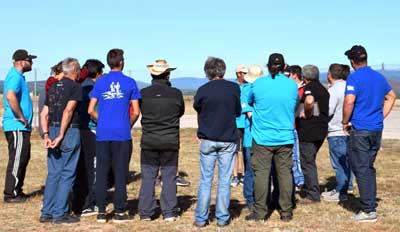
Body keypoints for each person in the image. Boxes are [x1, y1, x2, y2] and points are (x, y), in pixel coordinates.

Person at [343, 45, 396, 222]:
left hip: (360, 129)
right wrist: (380, 116)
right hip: (375, 129)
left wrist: (344, 122)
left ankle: (368, 209)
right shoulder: (378, 77)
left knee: (361, 168)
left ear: (352, 61)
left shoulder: (354, 78)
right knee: (368, 167)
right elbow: (391, 96)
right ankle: (370, 202)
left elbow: (349, 101)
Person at [88, 48, 141, 223]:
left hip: (103, 134)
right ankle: (119, 211)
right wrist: (127, 124)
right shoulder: (130, 82)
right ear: (121, 62)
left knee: (102, 172)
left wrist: (102, 120)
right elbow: (136, 112)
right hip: (122, 134)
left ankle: (101, 211)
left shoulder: (100, 83)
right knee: (120, 173)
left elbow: (90, 110)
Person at [244, 53, 298, 223]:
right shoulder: (291, 85)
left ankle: (260, 212)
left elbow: (249, 101)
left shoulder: (258, 84)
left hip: (262, 137)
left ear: (267, 66)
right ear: (284, 67)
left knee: (261, 175)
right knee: (285, 174)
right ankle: (286, 211)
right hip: (285, 136)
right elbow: (295, 104)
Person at [193, 57, 241, 228]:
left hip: (207, 138)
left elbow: (198, 109)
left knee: (206, 180)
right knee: (224, 180)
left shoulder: (202, 90)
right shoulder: (233, 88)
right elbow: (237, 112)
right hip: (227, 138)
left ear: (207, 72)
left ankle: (201, 218)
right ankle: (222, 217)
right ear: (223, 70)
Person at [138, 59, 184, 221]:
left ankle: (145, 212)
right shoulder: (176, 94)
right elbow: (180, 112)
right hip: (170, 140)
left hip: (149, 140)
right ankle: (170, 212)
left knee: (148, 176)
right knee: (169, 176)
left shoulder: (143, 94)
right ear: (168, 74)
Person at [39, 58, 82, 224]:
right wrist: (61, 135)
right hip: (68, 131)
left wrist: (47, 135)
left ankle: (46, 212)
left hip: (52, 128)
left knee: (53, 173)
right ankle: (60, 214)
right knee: (67, 173)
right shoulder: (75, 87)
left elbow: (43, 114)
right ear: (75, 71)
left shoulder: (53, 87)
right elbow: (68, 111)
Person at [2, 49, 36, 203]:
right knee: (17, 158)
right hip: (16, 125)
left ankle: (17, 189)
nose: (32, 62)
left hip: (21, 126)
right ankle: (11, 194)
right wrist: (21, 116)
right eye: (30, 60)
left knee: (23, 157)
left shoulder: (18, 77)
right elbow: (10, 95)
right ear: (22, 61)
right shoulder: (15, 76)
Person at [72, 59, 105, 216]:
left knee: (81, 167)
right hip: (92, 130)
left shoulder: (79, 86)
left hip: (79, 130)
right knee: (93, 168)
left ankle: (79, 201)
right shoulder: (94, 88)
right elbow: (95, 111)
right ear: (97, 74)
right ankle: (90, 203)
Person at [297, 64, 330, 204]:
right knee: (310, 160)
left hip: (309, 131)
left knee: (307, 162)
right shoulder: (322, 89)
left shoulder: (309, 89)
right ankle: (312, 188)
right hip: (321, 129)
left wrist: (306, 113)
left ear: (305, 77)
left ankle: (313, 194)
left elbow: (309, 101)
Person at [322, 64, 352, 202]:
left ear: (330, 74)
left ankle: (341, 191)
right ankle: (348, 185)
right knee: (348, 161)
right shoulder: (349, 86)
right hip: (349, 129)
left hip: (336, 129)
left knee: (339, 163)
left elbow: (328, 110)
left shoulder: (334, 90)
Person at [240, 64, 263, 211]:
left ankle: (255, 197)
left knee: (255, 169)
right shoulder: (246, 91)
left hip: (255, 137)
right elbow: (250, 114)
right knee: (251, 169)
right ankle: (250, 197)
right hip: (253, 137)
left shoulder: (246, 90)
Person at [231, 64, 248, 187]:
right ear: (238, 74)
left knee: (247, 150)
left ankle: (246, 175)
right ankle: (235, 176)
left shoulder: (251, 86)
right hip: (235, 123)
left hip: (248, 122)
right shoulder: (232, 87)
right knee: (235, 151)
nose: (246, 75)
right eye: (244, 73)